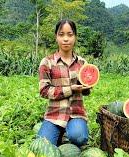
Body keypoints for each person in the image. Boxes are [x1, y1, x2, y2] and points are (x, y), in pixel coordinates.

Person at [37, 19, 91, 147]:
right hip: (54, 115)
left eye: (70, 34)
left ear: (75, 37)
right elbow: (44, 91)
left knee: (79, 138)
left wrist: (87, 87)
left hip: (76, 114)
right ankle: (60, 132)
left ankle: (70, 132)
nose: (66, 39)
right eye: (61, 34)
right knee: (42, 146)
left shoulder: (82, 63)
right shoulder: (47, 62)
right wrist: (70, 89)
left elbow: (86, 92)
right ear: (56, 37)